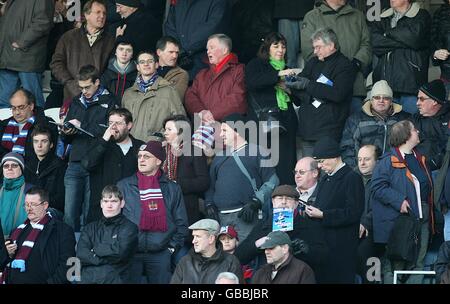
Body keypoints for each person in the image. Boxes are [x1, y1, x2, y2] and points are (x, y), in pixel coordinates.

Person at [371, 120, 433, 284]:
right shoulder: (387, 161)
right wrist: (399, 201)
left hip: (423, 219)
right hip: (401, 221)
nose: (418, 132)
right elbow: (377, 187)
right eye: (414, 130)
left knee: (419, 262)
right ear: (405, 136)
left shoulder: (420, 158)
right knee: (397, 264)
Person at [118, 140, 188, 284]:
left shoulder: (172, 188)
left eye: (146, 156)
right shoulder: (124, 186)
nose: (141, 160)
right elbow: (114, 219)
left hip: (161, 253)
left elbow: (181, 223)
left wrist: (171, 248)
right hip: (131, 253)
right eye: (139, 156)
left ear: (158, 161)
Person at [204, 113, 279, 242]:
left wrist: (256, 202)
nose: (221, 135)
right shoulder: (218, 157)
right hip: (221, 219)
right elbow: (210, 186)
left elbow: (272, 181)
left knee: (247, 257)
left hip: (247, 216)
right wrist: (209, 203)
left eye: (224, 130)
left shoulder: (258, 152)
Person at [61, 65, 118, 233]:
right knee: (69, 213)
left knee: (90, 212)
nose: (84, 91)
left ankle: (86, 252)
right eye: (81, 87)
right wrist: (66, 132)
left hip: (96, 162)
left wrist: (82, 125)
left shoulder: (111, 101)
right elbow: (68, 137)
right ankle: (67, 251)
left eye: (87, 87)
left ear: (97, 82)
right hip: (75, 161)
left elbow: (110, 132)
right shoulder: (76, 101)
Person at [235, 184, 329, 282]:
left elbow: (323, 257)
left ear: (296, 203)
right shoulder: (263, 226)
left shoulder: (309, 226)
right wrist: (257, 244)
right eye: (280, 198)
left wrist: (306, 250)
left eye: (288, 199)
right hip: (267, 277)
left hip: (297, 278)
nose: (284, 202)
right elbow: (240, 257)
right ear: (273, 202)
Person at [306, 136, 364, 283]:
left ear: (334, 157)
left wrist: (324, 215)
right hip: (324, 246)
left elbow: (354, 212)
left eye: (321, 161)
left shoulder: (351, 177)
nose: (319, 166)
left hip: (342, 248)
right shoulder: (325, 179)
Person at [290, 28, 356, 157]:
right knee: (308, 172)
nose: (315, 51)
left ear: (331, 45)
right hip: (307, 129)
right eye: (314, 48)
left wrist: (308, 85)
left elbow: (338, 94)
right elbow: (296, 86)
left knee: (326, 172)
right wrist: (311, 95)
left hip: (329, 131)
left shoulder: (344, 65)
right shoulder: (313, 62)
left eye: (318, 47)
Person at [245, 32, 300, 185]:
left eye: (283, 46)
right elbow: (253, 82)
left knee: (287, 164)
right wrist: (279, 75)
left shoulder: (288, 69)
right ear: (267, 48)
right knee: (266, 164)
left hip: (287, 121)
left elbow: (299, 98)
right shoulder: (256, 64)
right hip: (265, 122)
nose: (281, 50)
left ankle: (287, 197)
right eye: (276, 46)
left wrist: (288, 89)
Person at [301, 0, 372, 112]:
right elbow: (309, 51)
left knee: (355, 127)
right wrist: (330, 73)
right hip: (324, 91)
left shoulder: (358, 16)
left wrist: (355, 64)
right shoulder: (312, 17)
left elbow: (366, 44)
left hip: (355, 87)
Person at [2, 187, 76, 284]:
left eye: (33, 204)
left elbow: (70, 265)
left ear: (45, 205)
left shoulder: (63, 230)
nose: (29, 208)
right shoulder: (16, 231)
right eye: (26, 204)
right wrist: (7, 254)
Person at [82, 108, 143, 223]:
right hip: (101, 212)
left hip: (131, 211)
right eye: (110, 123)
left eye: (118, 123)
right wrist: (104, 141)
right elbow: (87, 164)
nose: (113, 127)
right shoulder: (99, 143)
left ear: (129, 125)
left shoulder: (140, 147)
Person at [370, 0, 431, 114]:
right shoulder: (383, 17)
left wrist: (387, 34)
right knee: (390, 129)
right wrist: (405, 42)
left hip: (411, 85)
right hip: (385, 86)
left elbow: (415, 38)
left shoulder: (422, 15)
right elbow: (376, 43)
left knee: (411, 126)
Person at [50, 0, 116, 101]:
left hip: (99, 96)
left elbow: (112, 67)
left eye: (104, 13)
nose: (102, 16)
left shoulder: (110, 41)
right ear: (86, 15)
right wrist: (69, 83)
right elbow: (56, 63)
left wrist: (97, 85)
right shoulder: (68, 37)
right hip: (73, 96)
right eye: (98, 12)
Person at [340, 80, 410, 169]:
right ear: (371, 100)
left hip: (396, 170)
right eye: (377, 97)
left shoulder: (403, 119)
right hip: (365, 172)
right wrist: (356, 170)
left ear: (391, 101)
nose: (381, 101)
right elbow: (347, 149)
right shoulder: (355, 120)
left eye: (386, 98)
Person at [77, 185, 138, 284]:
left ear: (122, 203)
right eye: (106, 201)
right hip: (87, 280)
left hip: (115, 280)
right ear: (101, 204)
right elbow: (81, 254)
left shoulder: (130, 228)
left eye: (114, 201)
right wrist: (106, 258)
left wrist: (95, 250)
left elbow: (120, 253)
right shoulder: (89, 228)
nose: (109, 205)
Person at [0, 0, 54, 108]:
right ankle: (6, 125)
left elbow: (43, 22)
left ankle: (38, 125)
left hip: (27, 58)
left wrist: (21, 42)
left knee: (32, 103)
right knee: (5, 103)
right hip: (8, 56)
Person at [122, 51, 186, 142]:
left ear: (156, 64)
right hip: (130, 146)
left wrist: (164, 140)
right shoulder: (128, 94)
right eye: (142, 62)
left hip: (156, 148)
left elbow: (180, 122)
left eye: (150, 61)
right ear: (138, 67)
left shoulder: (169, 91)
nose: (146, 64)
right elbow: (122, 122)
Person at [184, 34, 247, 123]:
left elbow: (237, 97)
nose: (208, 52)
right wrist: (201, 112)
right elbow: (190, 96)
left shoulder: (239, 70)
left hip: (228, 128)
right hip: (203, 127)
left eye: (212, 47)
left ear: (224, 50)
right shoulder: (202, 74)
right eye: (207, 49)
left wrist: (212, 114)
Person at [164, 0, 232, 80]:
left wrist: (184, 49)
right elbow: (170, 27)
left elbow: (213, 28)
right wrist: (180, 51)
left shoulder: (219, 2)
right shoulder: (180, 3)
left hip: (204, 66)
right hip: (178, 64)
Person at [162, 115, 209, 225]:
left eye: (169, 129)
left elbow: (204, 182)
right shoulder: (161, 150)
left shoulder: (194, 151)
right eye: (165, 129)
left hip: (186, 206)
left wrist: (177, 183)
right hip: (163, 204)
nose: (165, 133)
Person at [170, 219, 243, 284]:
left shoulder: (231, 262)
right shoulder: (185, 261)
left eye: (198, 237)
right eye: (193, 236)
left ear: (211, 239)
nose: (193, 241)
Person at [0, 88, 58, 162]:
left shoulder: (47, 124)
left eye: (21, 107)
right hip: (6, 168)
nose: (17, 112)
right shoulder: (3, 125)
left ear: (31, 106)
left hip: (35, 169)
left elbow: (51, 153)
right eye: (14, 108)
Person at [24, 126, 67, 213]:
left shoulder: (60, 166)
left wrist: (39, 205)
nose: (39, 145)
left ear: (51, 145)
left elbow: (60, 199)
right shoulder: (27, 165)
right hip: (28, 208)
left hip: (50, 209)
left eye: (44, 141)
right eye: (36, 141)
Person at [412, 79, 450, 171]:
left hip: (442, 169)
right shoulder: (415, 118)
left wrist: (432, 163)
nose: (417, 103)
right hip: (418, 168)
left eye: (422, 99)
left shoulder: (448, 118)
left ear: (434, 101)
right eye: (417, 99)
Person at [356, 144, 381, 283]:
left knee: (366, 253)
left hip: (376, 233)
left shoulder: (384, 179)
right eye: (359, 159)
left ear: (377, 161)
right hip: (353, 230)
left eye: (367, 159)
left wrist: (365, 223)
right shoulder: (352, 178)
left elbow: (382, 207)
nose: (362, 163)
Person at [252, 230, 316, 284]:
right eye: (265, 248)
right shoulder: (261, 272)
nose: (266, 252)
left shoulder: (303, 270)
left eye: (271, 248)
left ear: (285, 248)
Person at [274, 0, 315, 68]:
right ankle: (288, 77)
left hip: (307, 8)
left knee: (310, 53)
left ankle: (310, 76)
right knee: (288, 57)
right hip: (285, 9)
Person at [0, 153, 33, 236]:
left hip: (22, 241)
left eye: (14, 165)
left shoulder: (31, 191)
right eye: (6, 166)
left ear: (21, 169)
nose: (9, 168)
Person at [430, 0, 450, 100]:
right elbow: (431, 41)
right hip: (447, 73)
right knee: (445, 111)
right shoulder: (440, 13)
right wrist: (435, 53)